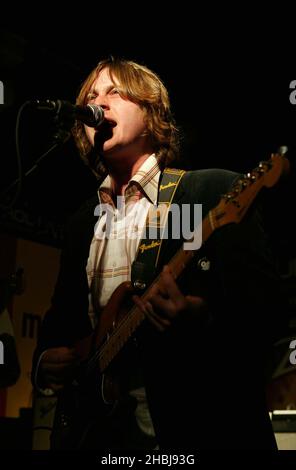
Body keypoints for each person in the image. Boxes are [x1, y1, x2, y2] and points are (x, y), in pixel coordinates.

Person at [32, 57, 283, 451]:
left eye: (115, 91)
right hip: (99, 435)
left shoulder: (211, 193)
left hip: (194, 433)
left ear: (151, 114)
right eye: (92, 96)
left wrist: (204, 319)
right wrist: (45, 358)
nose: (100, 101)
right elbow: (60, 317)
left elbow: (269, 314)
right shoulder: (83, 222)